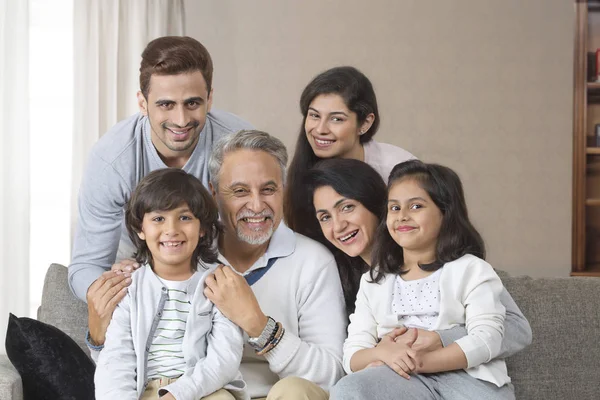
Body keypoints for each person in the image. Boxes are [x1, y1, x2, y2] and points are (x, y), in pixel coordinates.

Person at [68, 36, 253, 349]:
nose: (181, 120)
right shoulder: (111, 161)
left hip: (220, 271)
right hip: (140, 276)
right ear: (142, 103)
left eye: (192, 103)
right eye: (166, 104)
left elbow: (264, 231)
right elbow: (84, 267)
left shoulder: (240, 148)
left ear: (209, 98)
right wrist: (117, 286)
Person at [305, 158, 531, 366]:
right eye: (325, 217)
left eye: (347, 207)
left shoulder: (460, 267)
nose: (338, 226)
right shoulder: (346, 277)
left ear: (378, 206)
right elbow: (350, 354)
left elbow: (515, 330)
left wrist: (437, 339)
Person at [203, 130, 347, 399]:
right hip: (211, 391)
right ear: (213, 194)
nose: (257, 206)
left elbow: (332, 374)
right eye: (240, 191)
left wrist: (259, 325)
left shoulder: (313, 261)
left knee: (292, 390)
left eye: (268, 189)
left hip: (285, 395)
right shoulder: (190, 255)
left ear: (283, 190)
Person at [94, 168, 248, 400]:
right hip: (144, 391)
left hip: (204, 389)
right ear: (140, 228)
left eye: (184, 218)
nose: (172, 230)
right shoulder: (130, 287)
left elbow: (224, 358)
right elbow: (115, 359)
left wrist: (178, 394)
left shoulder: (220, 282)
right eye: (158, 219)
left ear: (203, 228)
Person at [284, 65, 415, 231]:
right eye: (314, 116)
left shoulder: (396, 170)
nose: (320, 129)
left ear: (365, 123)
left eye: (337, 119)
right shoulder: (298, 175)